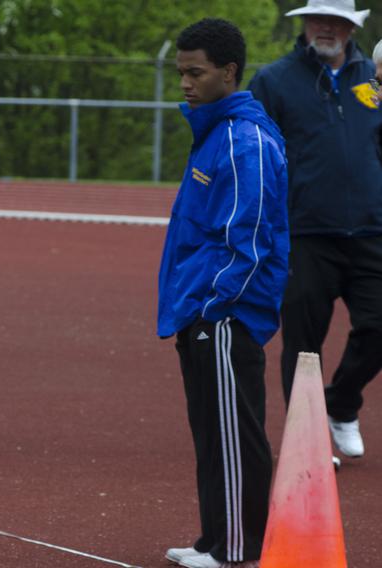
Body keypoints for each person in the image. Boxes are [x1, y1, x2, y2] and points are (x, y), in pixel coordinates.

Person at [158, 19, 288, 568]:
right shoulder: (215, 133)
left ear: (229, 72)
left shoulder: (243, 140)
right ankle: (216, 538)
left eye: (196, 72)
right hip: (201, 310)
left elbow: (251, 238)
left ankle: (241, 550)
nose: (185, 83)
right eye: (180, 71)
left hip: (225, 314)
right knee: (212, 431)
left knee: (235, 434)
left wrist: (214, 307)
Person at [249, 0, 382, 461]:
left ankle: (341, 405)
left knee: (378, 326)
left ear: (351, 26)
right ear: (305, 22)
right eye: (319, 18)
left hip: (371, 232)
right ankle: (307, 442)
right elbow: (255, 155)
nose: (328, 27)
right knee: (304, 345)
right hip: (303, 234)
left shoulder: (374, 77)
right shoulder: (273, 81)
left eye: (338, 20)